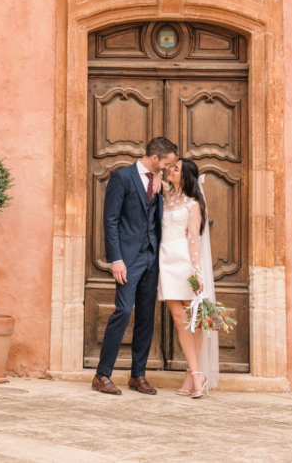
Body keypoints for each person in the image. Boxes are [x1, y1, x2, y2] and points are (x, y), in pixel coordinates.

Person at [92, 135, 179, 395]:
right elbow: (111, 221)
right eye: (166, 163)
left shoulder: (160, 182)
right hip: (128, 259)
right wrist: (116, 259)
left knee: (146, 316)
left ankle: (137, 375)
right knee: (122, 311)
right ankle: (101, 375)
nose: (167, 167)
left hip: (153, 258)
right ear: (154, 158)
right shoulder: (122, 177)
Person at [159, 158, 219, 398]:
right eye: (171, 167)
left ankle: (193, 374)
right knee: (178, 317)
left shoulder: (193, 204)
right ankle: (195, 373)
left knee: (193, 319)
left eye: (175, 169)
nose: (170, 170)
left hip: (185, 262)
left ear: (185, 177)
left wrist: (198, 273)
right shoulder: (165, 195)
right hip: (165, 262)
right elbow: (151, 173)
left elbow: (194, 239)